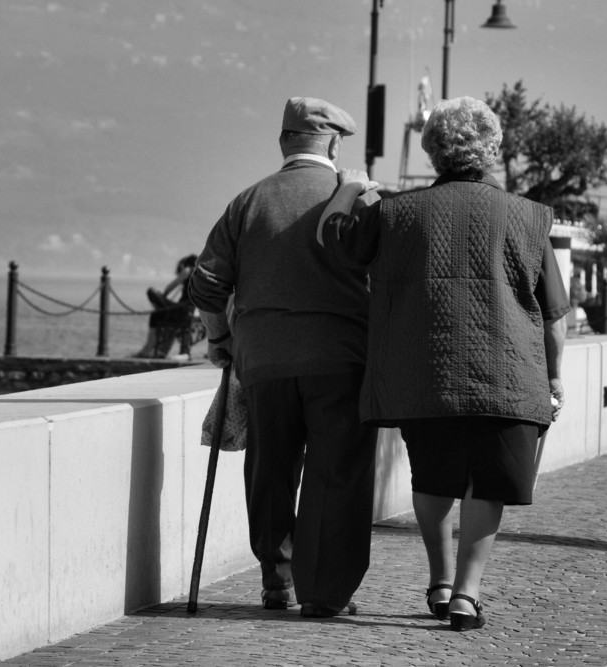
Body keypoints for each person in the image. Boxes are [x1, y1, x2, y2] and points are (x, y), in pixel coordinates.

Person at [317, 96, 569, 631]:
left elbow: (336, 244)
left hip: (424, 368)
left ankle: (438, 578)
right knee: (490, 481)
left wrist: (345, 190)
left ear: (433, 150)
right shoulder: (529, 217)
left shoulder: (395, 213)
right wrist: (553, 375)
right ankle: (466, 595)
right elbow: (553, 317)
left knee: (434, 474)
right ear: (493, 150)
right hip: (509, 372)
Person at [190, 97, 380, 618]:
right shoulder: (358, 198)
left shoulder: (248, 202)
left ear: (283, 142)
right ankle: (326, 592)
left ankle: (279, 580)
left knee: (271, 469)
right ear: (336, 144)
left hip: (264, 361)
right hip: (341, 360)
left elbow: (207, 284)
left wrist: (218, 338)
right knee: (336, 474)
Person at [132, 253, 201, 359]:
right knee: (156, 315)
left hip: (181, 309)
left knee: (152, 292)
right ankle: (153, 349)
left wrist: (162, 299)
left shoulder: (188, 270)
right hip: (187, 310)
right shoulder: (198, 274)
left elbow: (170, 286)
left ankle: (148, 349)